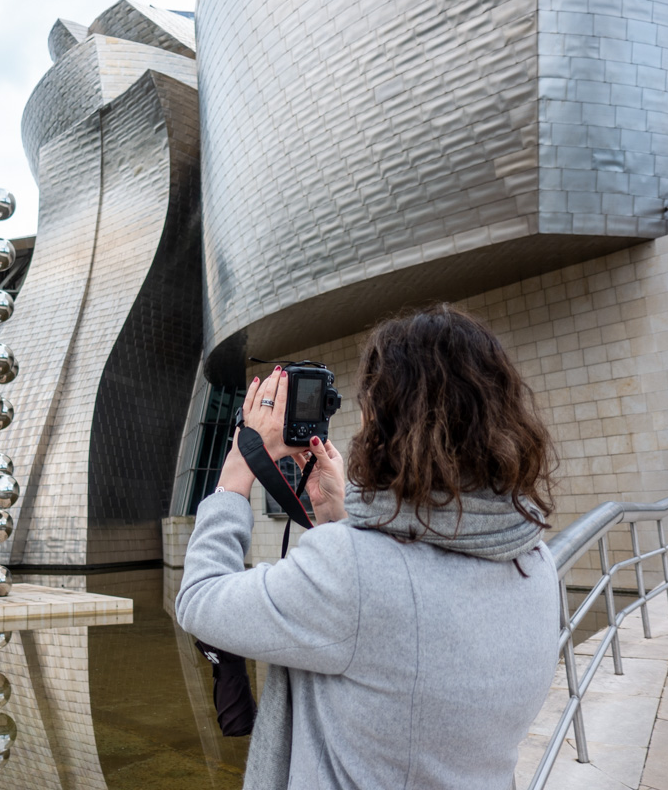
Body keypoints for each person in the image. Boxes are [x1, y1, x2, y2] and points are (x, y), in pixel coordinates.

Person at [176, 304, 560, 790]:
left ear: (387, 421)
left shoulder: (355, 572)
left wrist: (236, 473)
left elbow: (199, 600)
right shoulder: (533, 557)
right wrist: (339, 518)